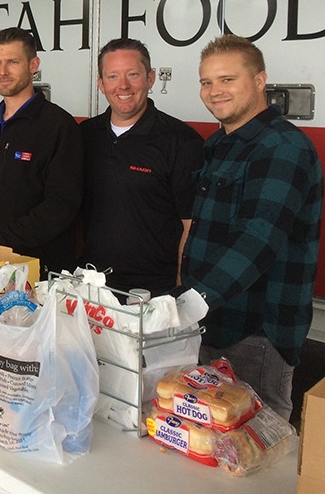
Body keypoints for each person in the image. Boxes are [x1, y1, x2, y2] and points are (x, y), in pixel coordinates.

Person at [179, 35, 322, 420]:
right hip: (212, 321)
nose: (214, 91)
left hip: (256, 332)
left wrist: (189, 301)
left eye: (227, 79)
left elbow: (258, 237)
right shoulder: (221, 144)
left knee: (256, 442)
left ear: (260, 81)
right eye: (206, 82)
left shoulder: (282, 147)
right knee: (211, 437)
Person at [0, 28, 82, 275]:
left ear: (34, 65)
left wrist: (0, 239)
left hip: (39, 270)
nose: (3, 71)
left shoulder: (58, 126)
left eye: (13, 62)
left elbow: (60, 205)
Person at [80, 38, 204, 296]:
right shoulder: (83, 136)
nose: (123, 85)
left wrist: (178, 293)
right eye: (112, 76)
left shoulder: (181, 141)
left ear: (150, 78)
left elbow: (191, 227)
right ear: (101, 84)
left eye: (133, 74)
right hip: (88, 283)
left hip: (152, 293)